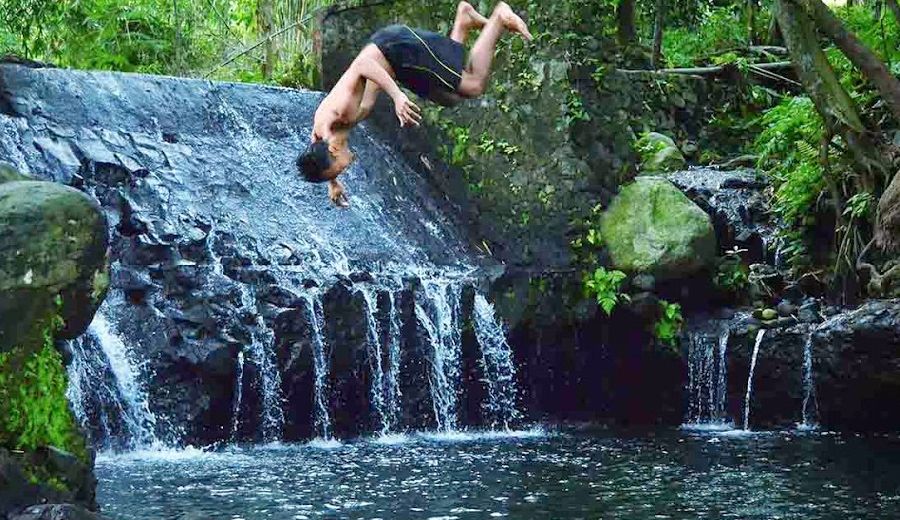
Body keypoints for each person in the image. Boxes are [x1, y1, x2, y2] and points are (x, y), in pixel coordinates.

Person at [297, 1, 532, 207]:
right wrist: (333, 184)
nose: (343, 170)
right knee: (449, 98)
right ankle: (464, 20)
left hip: (395, 50)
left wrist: (398, 97)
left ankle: (500, 16)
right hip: (395, 66)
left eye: (339, 169)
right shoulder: (321, 137)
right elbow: (319, 156)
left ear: (334, 150)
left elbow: (362, 65)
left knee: (472, 85)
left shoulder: (340, 110)